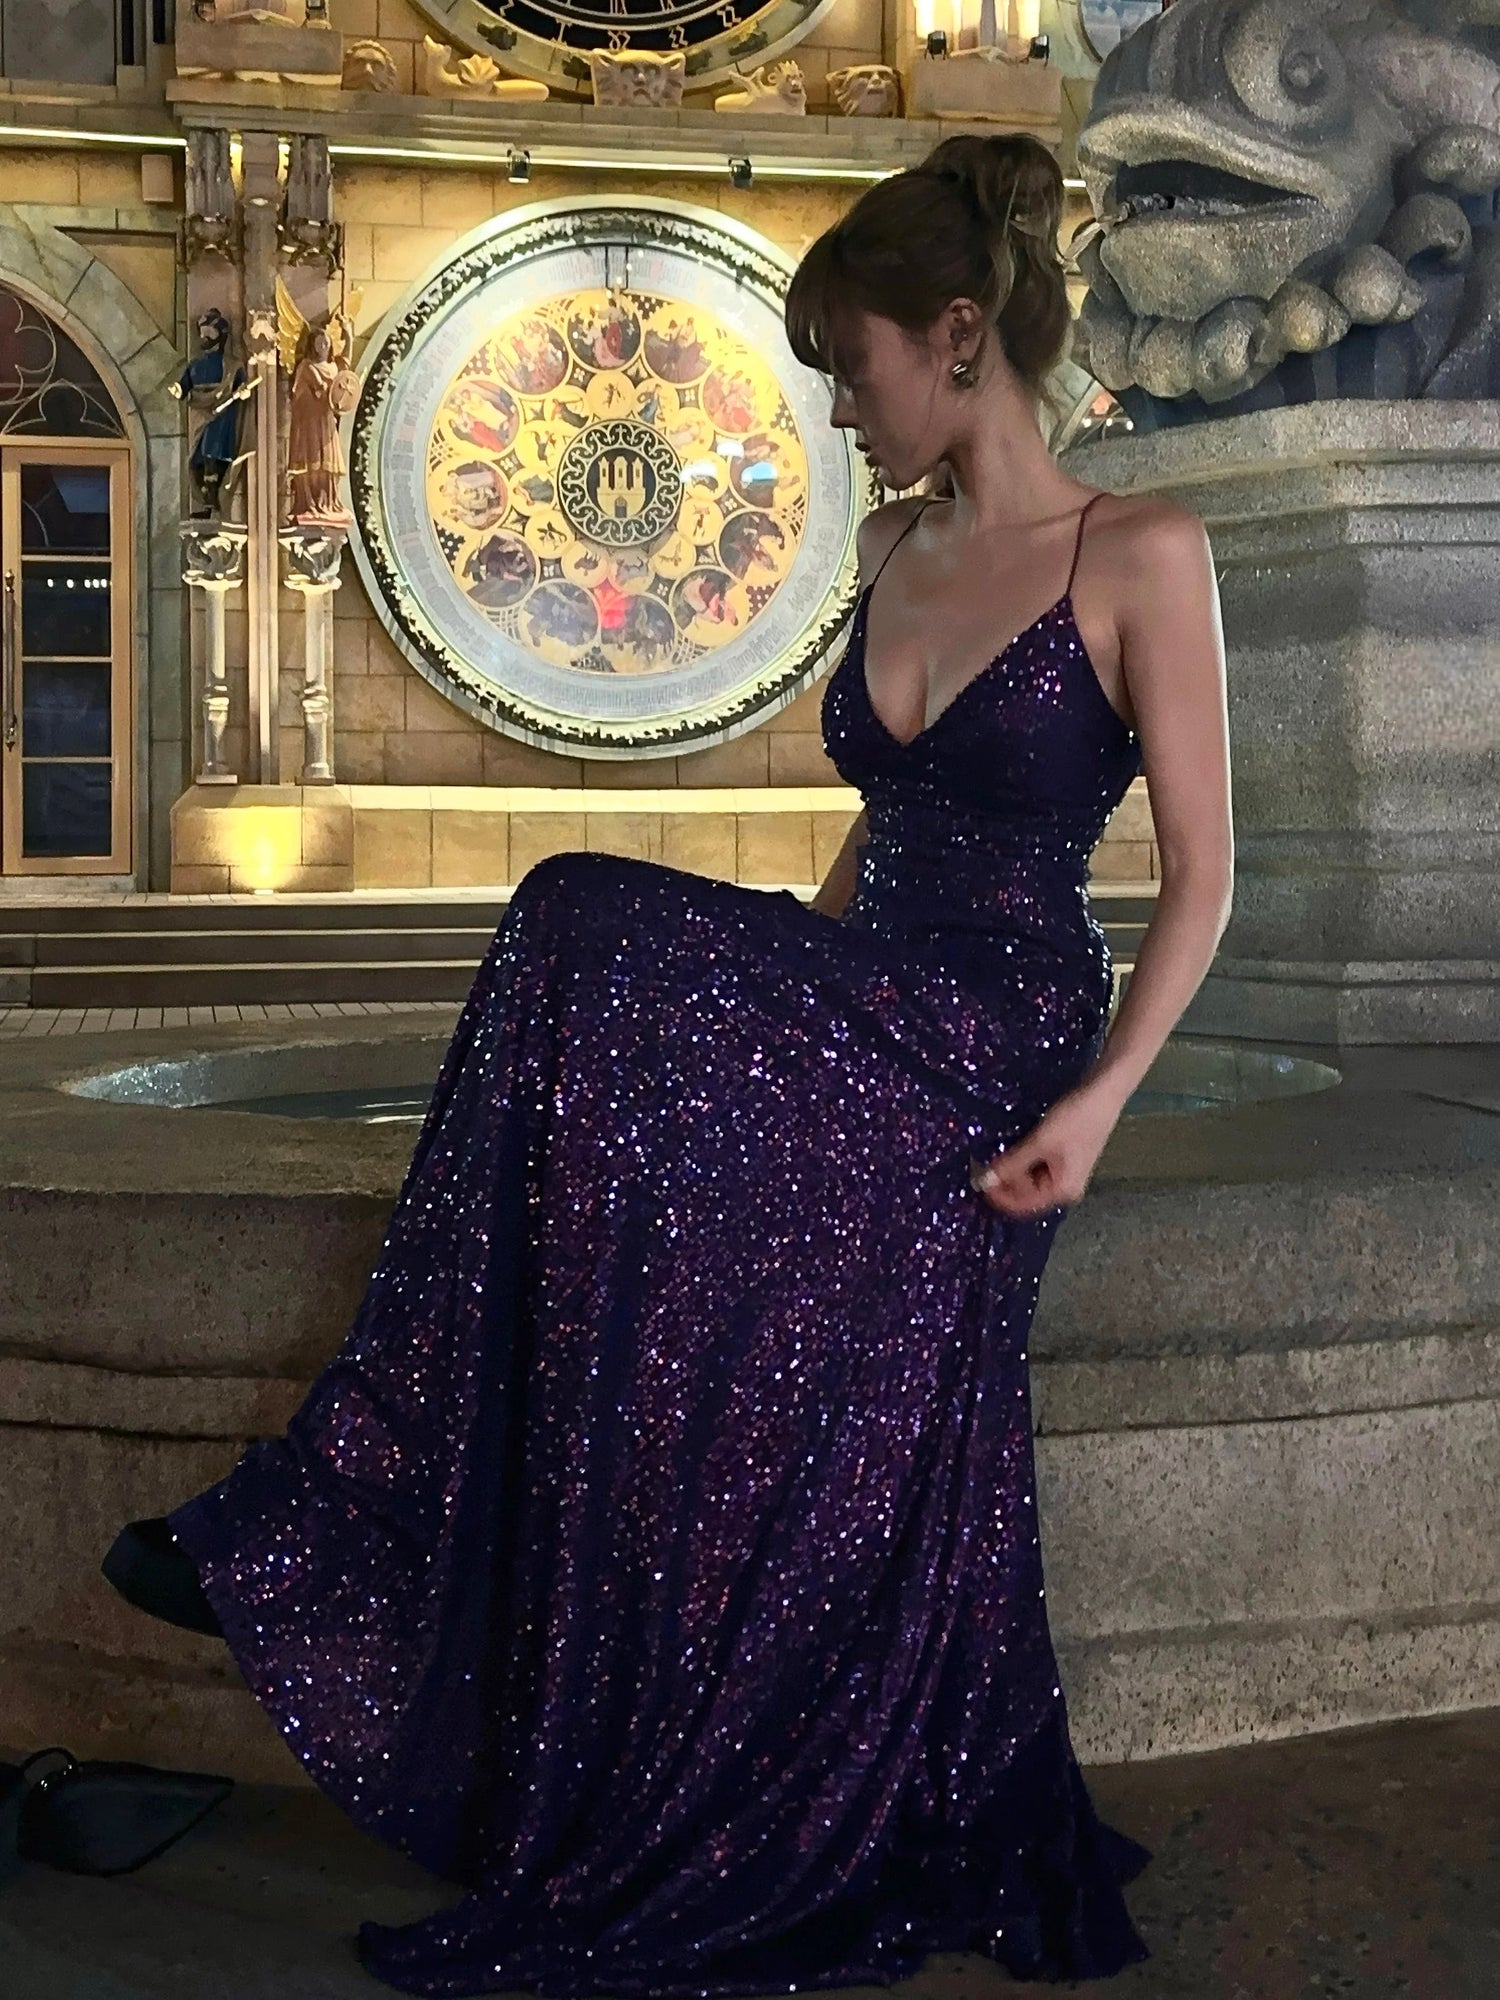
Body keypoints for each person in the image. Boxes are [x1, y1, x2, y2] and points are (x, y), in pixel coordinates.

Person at [102, 129, 1232, 1994]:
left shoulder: (1141, 552)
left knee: (572, 912)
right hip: (869, 1003)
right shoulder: (892, 547)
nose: (841, 411)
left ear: (958, 337)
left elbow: (1205, 875)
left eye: (853, 369)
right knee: (611, 1101)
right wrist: (770, 990)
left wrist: (1098, 1106)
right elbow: (875, 838)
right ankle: (409, 1557)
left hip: (997, 1046)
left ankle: (342, 1506)